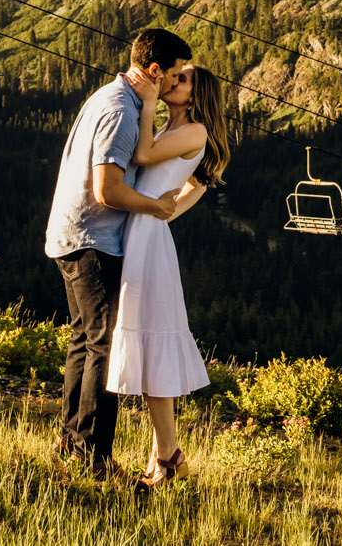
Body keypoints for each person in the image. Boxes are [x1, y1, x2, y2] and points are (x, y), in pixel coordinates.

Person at [44, 27, 191, 476]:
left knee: (83, 341)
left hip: (69, 235)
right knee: (104, 347)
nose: (175, 82)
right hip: (93, 239)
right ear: (153, 71)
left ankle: (71, 442)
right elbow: (107, 189)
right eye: (175, 74)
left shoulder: (108, 96)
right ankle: (92, 456)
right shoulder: (122, 112)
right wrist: (157, 206)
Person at [107, 62, 231, 487]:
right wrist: (164, 211)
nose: (172, 80)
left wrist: (147, 101)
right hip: (143, 234)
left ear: (196, 97)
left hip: (148, 243)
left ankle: (169, 456)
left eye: (182, 80)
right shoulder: (174, 131)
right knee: (146, 347)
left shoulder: (195, 131)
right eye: (173, 76)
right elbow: (193, 185)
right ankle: (163, 455)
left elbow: (142, 156)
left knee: (151, 345)